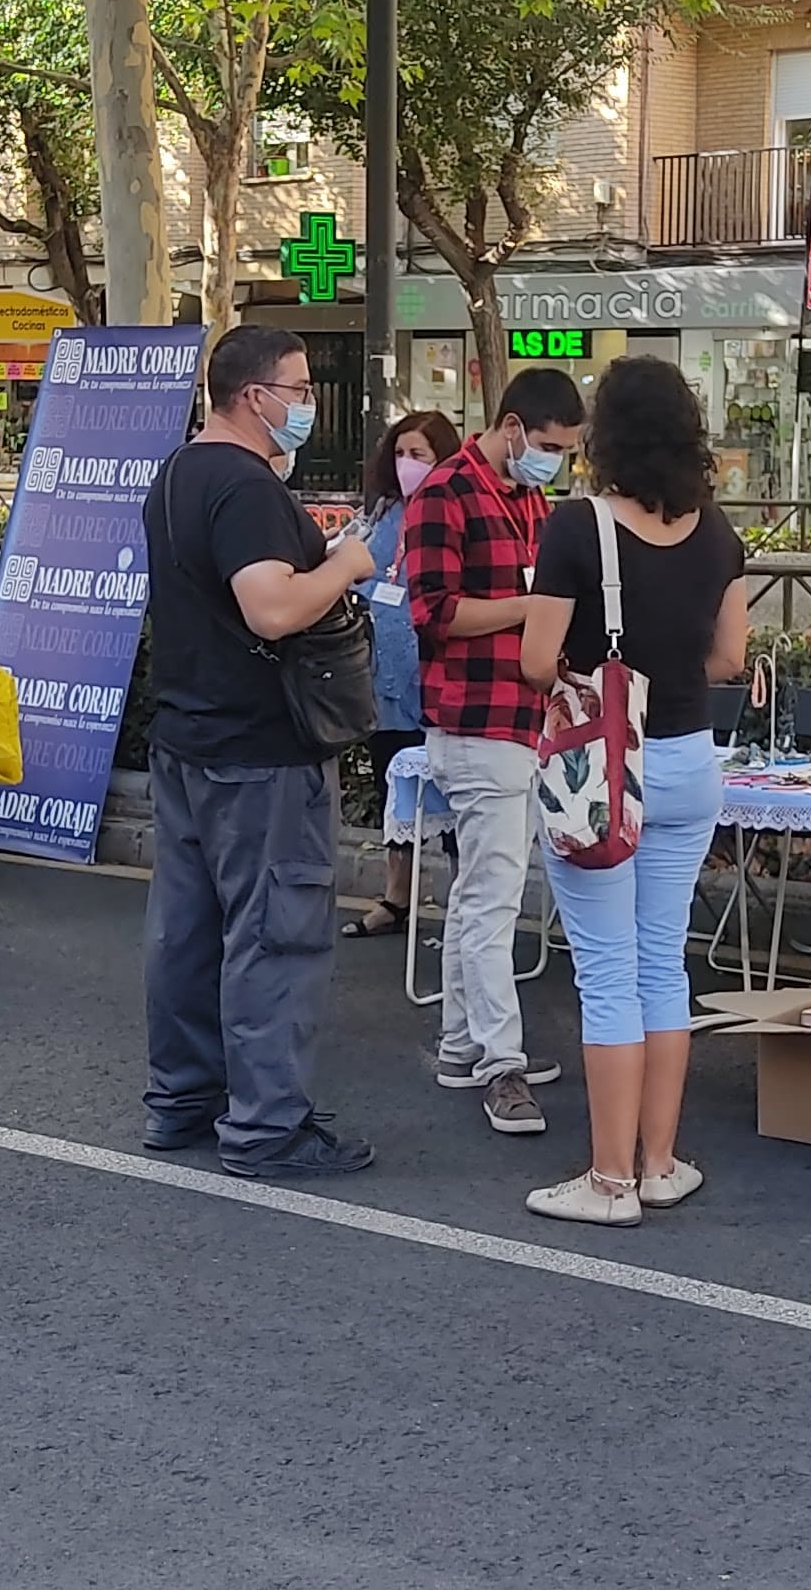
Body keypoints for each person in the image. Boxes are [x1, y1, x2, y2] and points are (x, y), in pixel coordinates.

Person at [138, 325, 384, 1179]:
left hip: (185, 736)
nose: (308, 402)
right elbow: (272, 610)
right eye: (300, 386)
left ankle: (182, 1101)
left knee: (188, 931)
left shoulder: (174, 474)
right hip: (261, 748)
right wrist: (346, 563)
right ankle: (267, 1127)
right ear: (253, 396)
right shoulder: (241, 486)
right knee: (274, 935)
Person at [516, 356, 750, 1226]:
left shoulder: (577, 529)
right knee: (662, 963)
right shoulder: (717, 530)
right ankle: (659, 1162)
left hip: (606, 769)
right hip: (691, 760)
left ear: (604, 436)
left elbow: (539, 661)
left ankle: (608, 1182)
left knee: (607, 970)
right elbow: (729, 659)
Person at [401, 367, 589, 1138]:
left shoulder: (528, 497)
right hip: (474, 724)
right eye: (547, 445)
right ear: (512, 427)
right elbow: (433, 614)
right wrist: (533, 605)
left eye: (565, 451)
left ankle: (458, 1046)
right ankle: (500, 1065)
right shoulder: (444, 493)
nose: (555, 461)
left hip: (519, 719)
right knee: (492, 900)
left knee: (482, 889)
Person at [342, 408, 460, 942]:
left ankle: (463, 901)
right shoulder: (385, 512)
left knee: (456, 798)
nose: (408, 465)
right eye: (401, 454)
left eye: (421, 455)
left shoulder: (456, 510)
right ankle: (397, 896)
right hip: (387, 677)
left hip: (440, 677)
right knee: (397, 788)